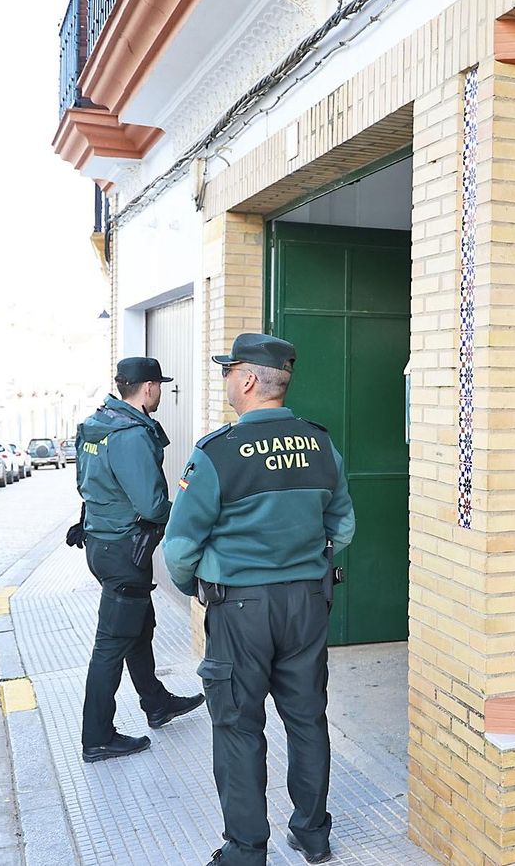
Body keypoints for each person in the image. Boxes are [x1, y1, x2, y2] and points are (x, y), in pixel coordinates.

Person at [163, 333, 355, 866]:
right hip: (307, 604)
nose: (225, 379)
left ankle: (246, 850)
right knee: (307, 719)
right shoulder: (320, 444)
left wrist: (198, 590)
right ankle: (312, 835)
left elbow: (179, 547)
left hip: (240, 610)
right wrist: (305, 562)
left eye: (228, 371)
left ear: (248, 380)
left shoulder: (217, 453)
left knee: (238, 726)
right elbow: (342, 525)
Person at [70, 356, 205, 763]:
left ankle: (156, 703)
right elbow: (151, 505)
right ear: (148, 388)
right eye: (159, 385)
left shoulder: (98, 423)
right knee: (111, 645)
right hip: (125, 552)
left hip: (102, 543)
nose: (160, 391)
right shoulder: (130, 435)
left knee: (139, 628)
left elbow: (86, 483)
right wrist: (189, 511)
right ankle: (97, 737)